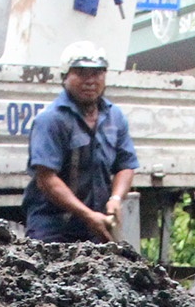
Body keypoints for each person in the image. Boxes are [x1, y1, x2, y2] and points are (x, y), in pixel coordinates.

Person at [23, 42, 139, 244]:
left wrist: (116, 199)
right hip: (53, 229)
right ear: (65, 77)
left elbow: (126, 165)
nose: (90, 81)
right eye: (82, 73)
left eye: (97, 73)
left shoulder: (114, 117)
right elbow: (46, 179)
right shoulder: (51, 120)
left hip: (96, 225)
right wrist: (87, 214)